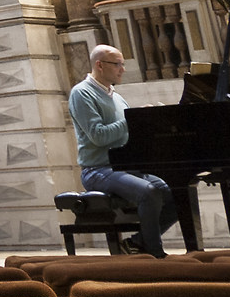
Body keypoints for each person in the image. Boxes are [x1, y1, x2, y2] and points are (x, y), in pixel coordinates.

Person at [68, 44, 174, 256]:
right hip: (97, 169)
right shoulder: (81, 93)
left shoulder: (117, 97)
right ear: (100, 65)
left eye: (122, 64)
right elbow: (98, 136)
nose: (122, 69)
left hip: (123, 167)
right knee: (149, 192)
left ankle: (137, 244)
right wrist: (133, 119)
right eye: (117, 64)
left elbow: (126, 135)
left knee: (176, 195)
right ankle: (155, 254)